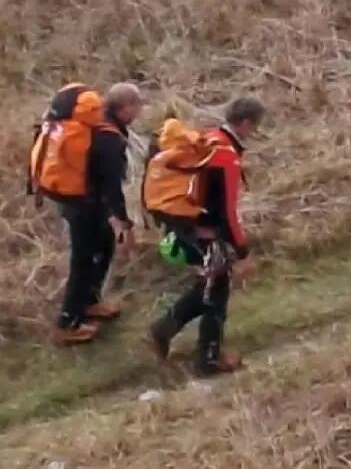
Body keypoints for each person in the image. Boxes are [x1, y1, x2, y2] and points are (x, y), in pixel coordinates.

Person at [146, 97, 265, 376]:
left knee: (214, 280)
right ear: (246, 124)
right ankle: (208, 359)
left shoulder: (209, 138)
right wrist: (242, 252)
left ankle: (164, 330)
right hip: (198, 223)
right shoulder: (226, 157)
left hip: (183, 218)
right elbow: (227, 212)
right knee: (218, 284)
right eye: (255, 126)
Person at [50, 83, 144, 345]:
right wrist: (124, 223)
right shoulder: (109, 138)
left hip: (80, 199)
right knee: (83, 260)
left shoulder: (98, 123)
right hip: (83, 204)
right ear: (125, 108)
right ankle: (66, 324)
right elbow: (112, 187)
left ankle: (90, 302)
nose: (140, 111)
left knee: (103, 246)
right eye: (137, 105)